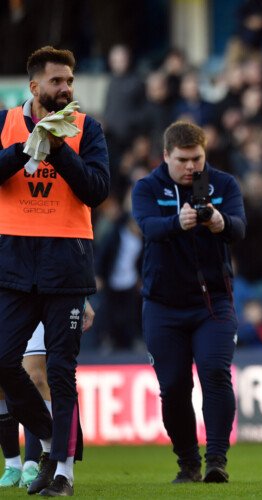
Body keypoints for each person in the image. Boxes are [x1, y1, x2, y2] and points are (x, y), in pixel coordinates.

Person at [0, 46, 110, 496]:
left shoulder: (87, 128)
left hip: (66, 267)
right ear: (34, 87)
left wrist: (58, 148)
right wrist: (22, 151)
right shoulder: (5, 122)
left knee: (61, 370)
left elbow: (96, 190)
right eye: (56, 82)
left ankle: (63, 471)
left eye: (69, 80)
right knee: (3, 360)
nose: (65, 88)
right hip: (13, 265)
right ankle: (49, 438)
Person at [131, 121, 246, 484]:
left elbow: (240, 229)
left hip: (213, 303)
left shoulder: (223, 184)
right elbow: (148, 227)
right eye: (182, 160)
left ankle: (216, 461)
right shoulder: (147, 187)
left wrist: (220, 222)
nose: (191, 168)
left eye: (197, 158)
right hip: (163, 305)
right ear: (165, 156)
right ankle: (187, 462)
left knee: (214, 372)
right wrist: (175, 222)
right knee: (174, 387)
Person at [0, 304, 94, 489]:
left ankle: (34, 462)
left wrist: (84, 299)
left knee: (36, 377)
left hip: (37, 292)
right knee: (2, 377)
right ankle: (12, 464)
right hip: (8, 293)